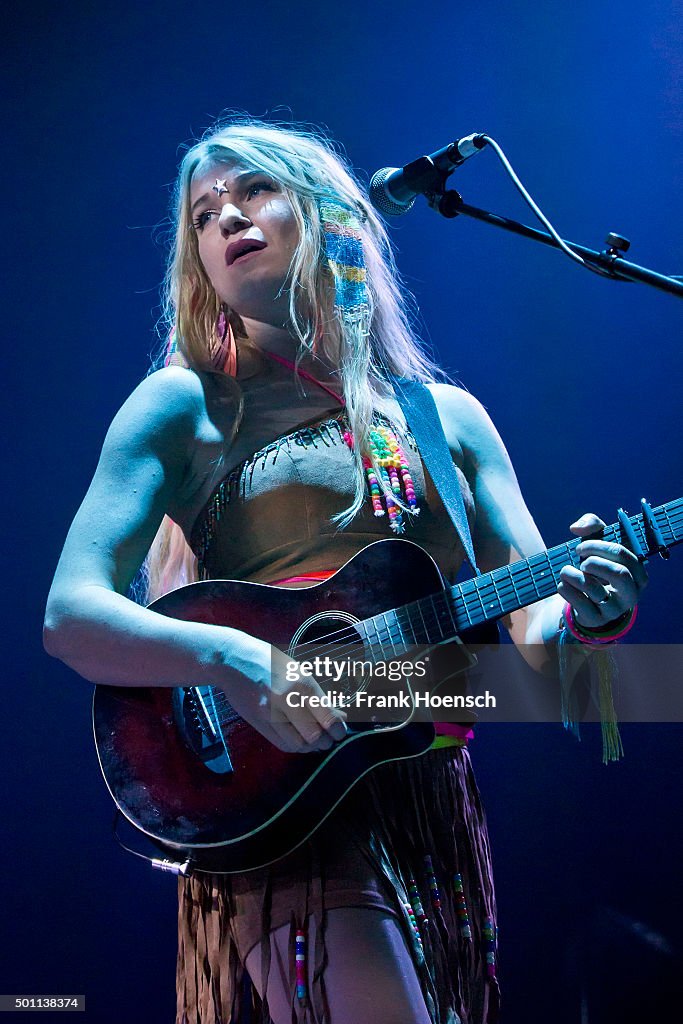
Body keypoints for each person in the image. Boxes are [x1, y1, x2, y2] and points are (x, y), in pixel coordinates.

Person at [43, 118, 647, 1024]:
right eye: (204, 214)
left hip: (426, 794)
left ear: (328, 215)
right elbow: (71, 615)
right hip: (274, 791)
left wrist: (590, 619)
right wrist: (237, 661)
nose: (227, 218)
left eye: (253, 191)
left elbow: (534, 656)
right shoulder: (185, 403)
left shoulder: (446, 418)